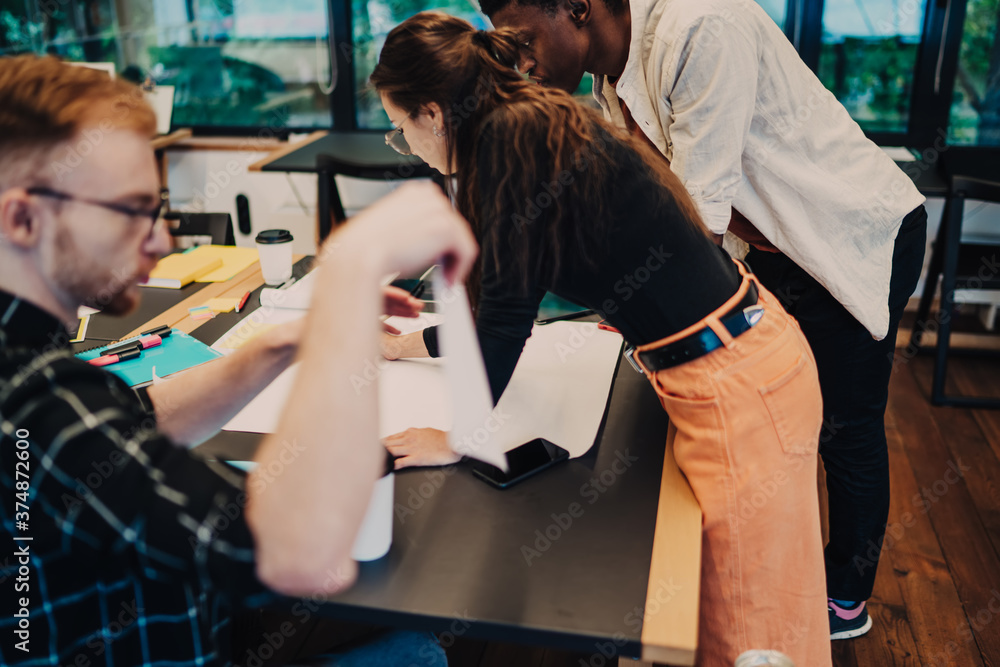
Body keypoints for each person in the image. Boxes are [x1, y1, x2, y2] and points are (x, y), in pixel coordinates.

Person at [371, 12, 831, 665]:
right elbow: (502, 310)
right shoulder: (528, 121)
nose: (406, 143)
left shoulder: (506, 150)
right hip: (742, 357)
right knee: (733, 616)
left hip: (736, 388)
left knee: (749, 637)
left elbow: (504, 319)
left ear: (433, 113)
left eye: (400, 127)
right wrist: (400, 346)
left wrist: (456, 436)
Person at [0, 55, 476, 666]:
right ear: (22, 218)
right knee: (420, 655)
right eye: (131, 211)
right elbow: (306, 556)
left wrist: (276, 346)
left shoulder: (34, 374)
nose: (162, 240)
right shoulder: (39, 407)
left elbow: (126, 418)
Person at [482, 0, 929, 641]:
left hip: (846, 232)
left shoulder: (701, 26)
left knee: (845, 429)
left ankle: (846, 599)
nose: (519, 62)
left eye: (521, 40)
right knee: (783, 424)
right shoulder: (611, 73)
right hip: (773, 242)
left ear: (575, 9)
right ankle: (775, 572)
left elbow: (696, 217)